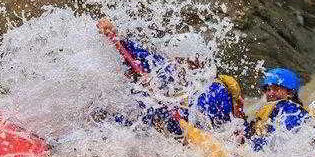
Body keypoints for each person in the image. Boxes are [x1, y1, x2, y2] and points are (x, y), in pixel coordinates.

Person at [96, 18, 243, 136]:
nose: (173, 65)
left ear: (194, 62)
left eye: (178, 61)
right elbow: (143, 57)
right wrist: (116, 36)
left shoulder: (216, 91)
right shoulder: (173, 71)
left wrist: (156, 96)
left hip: (195, 141)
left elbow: (189, 122)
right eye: (173, 61)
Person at [246, 67, 309, 150]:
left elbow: (278, 142)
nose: (271, 93)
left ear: (290, 92)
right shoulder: (272, 111)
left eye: (276, 89)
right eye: (268, 89)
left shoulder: (292, 110)